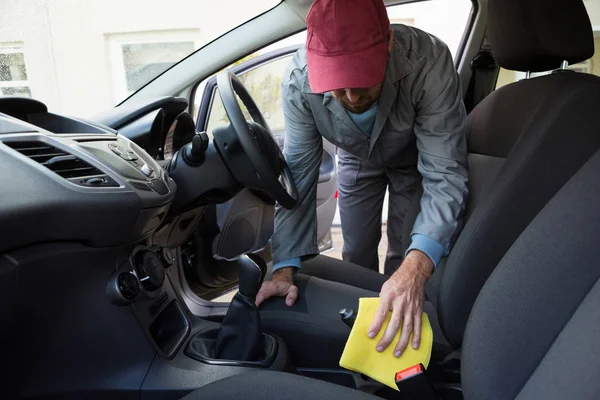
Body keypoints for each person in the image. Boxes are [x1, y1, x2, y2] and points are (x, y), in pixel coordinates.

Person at [256, 0, 468, 357]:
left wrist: (415, 268)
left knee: (406, 256)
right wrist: (284, 267)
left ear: (386, 43)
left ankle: (400, 333)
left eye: (361, 78)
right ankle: (364, 334)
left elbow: (445, 172)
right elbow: (299, 178)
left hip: (414, 160)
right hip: (354, 155)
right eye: (338, 86)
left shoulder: (428, 62)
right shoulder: (299, 82)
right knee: (355, 252)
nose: (352, 97)